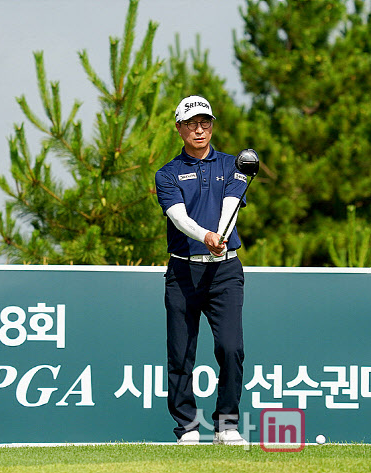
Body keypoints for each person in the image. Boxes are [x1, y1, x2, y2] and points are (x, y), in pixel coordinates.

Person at [155, 95, 248, 445]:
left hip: (224, 272)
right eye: (192, 123)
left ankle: (226, 425)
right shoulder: (166, 173)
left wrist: (220, 234)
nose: (199, 129)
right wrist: (206, 235)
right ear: (179, 127)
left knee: (230, 348)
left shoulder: (233, 164)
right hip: (183, 273)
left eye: (205, 122)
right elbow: (178, 217)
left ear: (212, 125)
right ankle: (188, 428)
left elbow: (232, 203)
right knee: (180, 353)